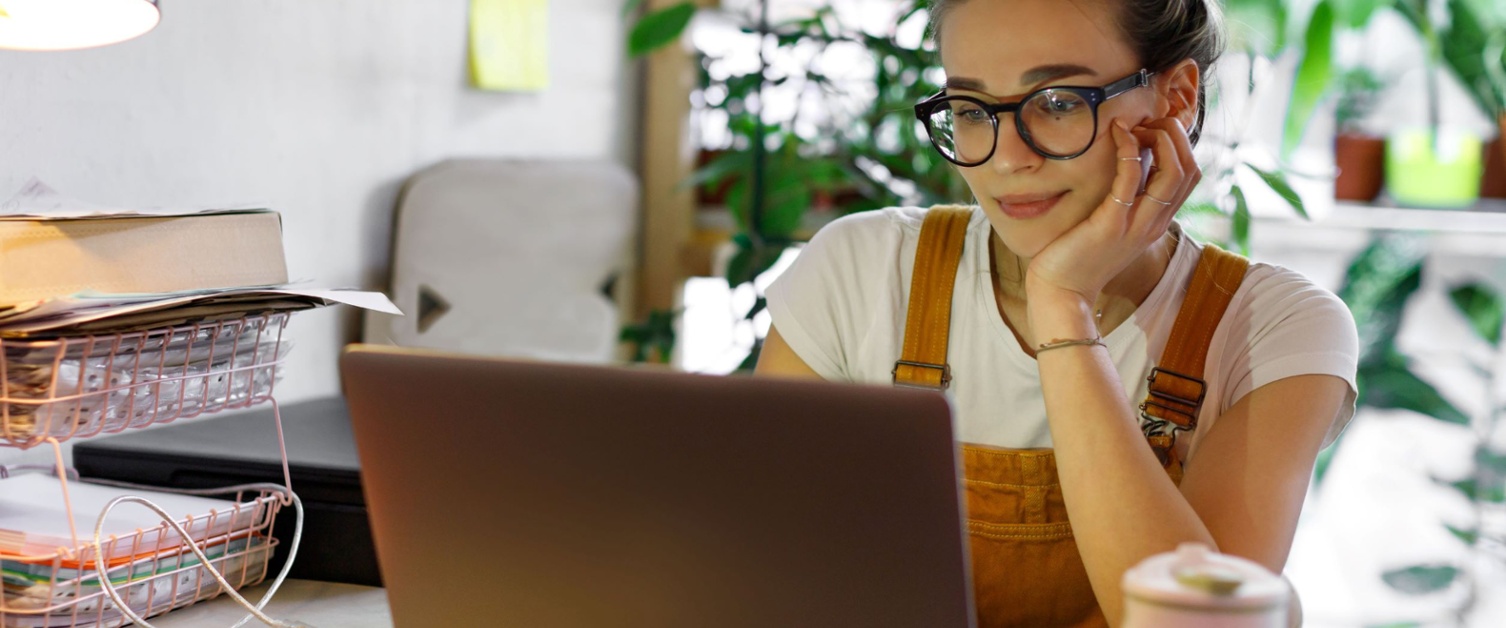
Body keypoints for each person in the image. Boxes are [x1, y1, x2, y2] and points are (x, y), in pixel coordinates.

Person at [754, 0, 1359, 626]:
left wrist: (1062, 305)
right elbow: (752, 569)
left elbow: (1200, 623)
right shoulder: (862, 269)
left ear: (1175, 99)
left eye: (1059, 102)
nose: (1008, 157)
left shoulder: (1274, 328)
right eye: (970, 109)